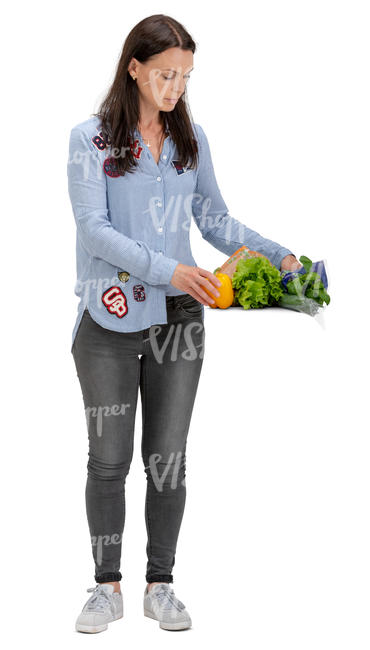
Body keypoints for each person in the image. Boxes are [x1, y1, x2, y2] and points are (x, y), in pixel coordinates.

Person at [67, 13, 301, 634]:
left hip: (178, 320)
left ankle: (160, 585)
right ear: (134, 68)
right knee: (108, 460)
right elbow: (96, 231)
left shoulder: (189, 141)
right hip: (107, 320)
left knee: (168, 459)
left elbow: (215, 221)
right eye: (165, 74)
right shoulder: (89, 141)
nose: (175, 88)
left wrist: (276, 252)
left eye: (186, 77)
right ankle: (105, 586)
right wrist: (171, 268)